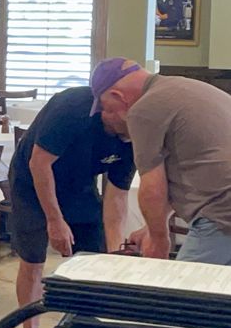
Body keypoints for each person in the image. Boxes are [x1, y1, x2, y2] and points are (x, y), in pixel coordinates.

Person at [9, 84, 136, 328]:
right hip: (32, 182)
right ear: (111, 109)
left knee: (93, 260)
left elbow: (116, 198)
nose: (128, 138)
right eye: (125, 128)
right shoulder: (72, 109)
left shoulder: (132, 138)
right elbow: (39, 165)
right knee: (33, 261)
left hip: (79, 186)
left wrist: (114, 254)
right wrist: (55, 220)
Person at [91, 57, 231, 264]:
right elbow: (200, 169)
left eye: (107, 108)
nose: (107, 115)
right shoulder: (188, 87)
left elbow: (153, 186)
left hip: (221, 211)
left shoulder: (143, 110)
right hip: (223, 205)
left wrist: (158, 239)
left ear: (117, 95)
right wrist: (152, 227)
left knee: (182, 292)